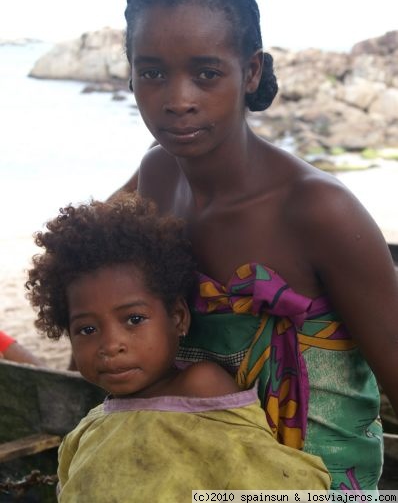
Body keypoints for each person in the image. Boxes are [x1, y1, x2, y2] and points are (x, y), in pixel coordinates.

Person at [114, 0, 398, 491]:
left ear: (251, 71)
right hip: (194, 471)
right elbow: (78, 261)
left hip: (312, 485)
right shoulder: (154, 179)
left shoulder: (317, 210)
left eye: (206, 73)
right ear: (130, 75)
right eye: (152, 72)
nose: (178, 100)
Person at [25, 195, 330, 501]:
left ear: (178, 318)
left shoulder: (199, 385)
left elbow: (261, 477)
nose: (110, 345)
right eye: (87, 329)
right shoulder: (87, 431)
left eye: (134, 319)